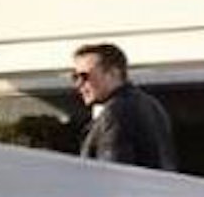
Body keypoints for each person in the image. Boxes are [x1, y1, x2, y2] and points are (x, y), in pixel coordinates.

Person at [71, 42, 177, 170]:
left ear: (113, 73)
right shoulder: (151, 105)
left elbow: (111, 173)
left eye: (84, 76)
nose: (78, 84)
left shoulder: (116, 111)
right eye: (75, 77)